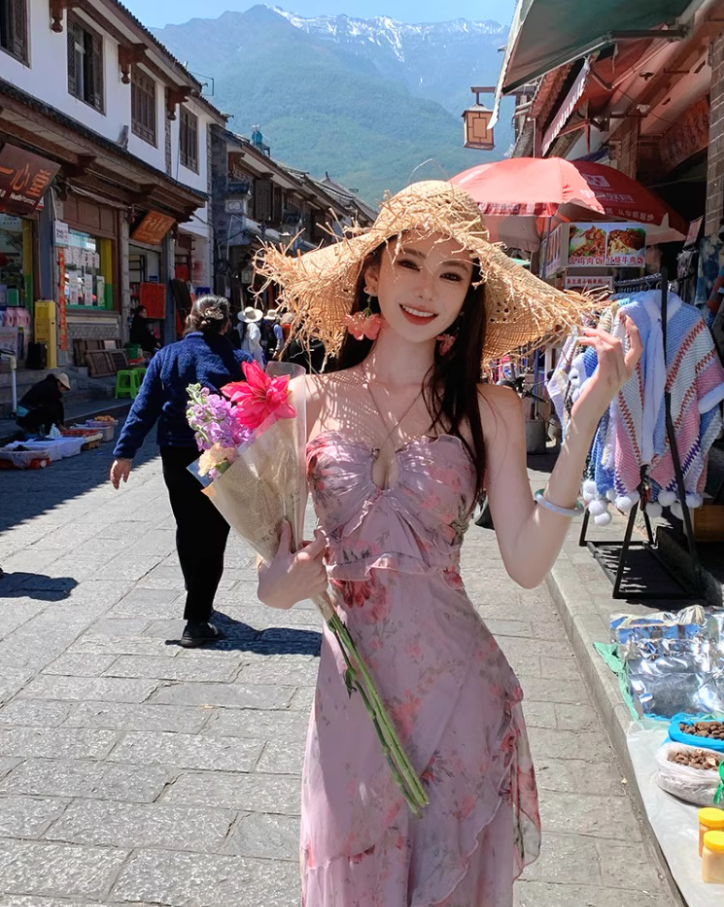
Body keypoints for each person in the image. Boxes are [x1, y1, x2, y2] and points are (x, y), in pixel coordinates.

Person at [253, 181, 642, 906]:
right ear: (373, 272)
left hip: (460, 697)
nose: (427, 288)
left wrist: (584, 426)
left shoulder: (490, 407)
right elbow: (269, 584)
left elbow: (526, 564)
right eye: (410, 263)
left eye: (452, 272)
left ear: (471, 293)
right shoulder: (307, 400)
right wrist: (291, 580)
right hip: (352, 704)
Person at [109, 296, 252, 648]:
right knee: (214, 531)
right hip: (218, 453)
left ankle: (196, 594)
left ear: (189, 320)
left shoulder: (167, 356)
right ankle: (197, 618)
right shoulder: (238, 359)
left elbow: (143, 408)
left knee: (188, 526)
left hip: (174, 451)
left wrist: (124, 453)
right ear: (227, 324)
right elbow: (257, 406)